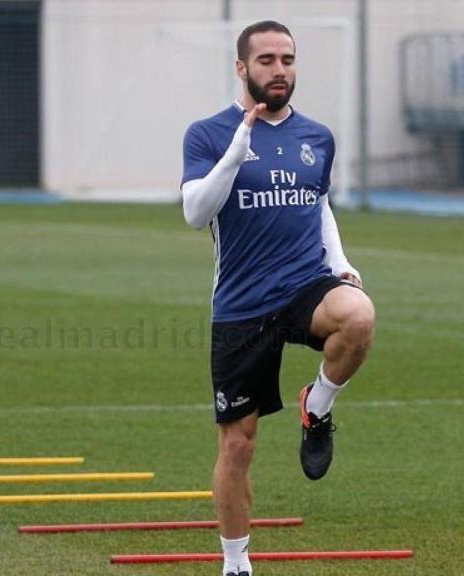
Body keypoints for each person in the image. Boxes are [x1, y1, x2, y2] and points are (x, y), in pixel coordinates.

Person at [180, 20, 376, 576]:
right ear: (242, 68)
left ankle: (318, 406)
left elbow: (317, 205)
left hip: (304, 287)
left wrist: (339, 264)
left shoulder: (317, 137)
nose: (279, 70)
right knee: (238, 446)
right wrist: (236, 153)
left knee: (358, 316)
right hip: (241, 305)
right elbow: (196, 213)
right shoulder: (208, 134)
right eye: (266, 60)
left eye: (287, 59)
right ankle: (236, 562)